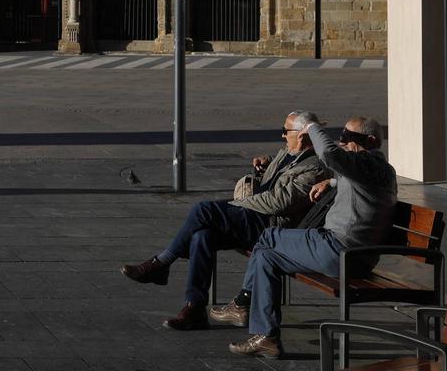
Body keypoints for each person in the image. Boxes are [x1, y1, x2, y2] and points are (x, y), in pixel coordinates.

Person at [120, 111, 328, 330]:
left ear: (302, 136)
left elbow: (279, 203)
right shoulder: (288, 152)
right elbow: (273, 183)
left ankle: (161, 263)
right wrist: (264, 168)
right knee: (203, 236)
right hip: (254, 214)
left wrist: (239, 203)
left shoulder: (314, 167)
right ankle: (195, 308)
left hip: (270, 226)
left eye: (285, 131)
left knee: (203, 210)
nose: (283, 135)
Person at [223, 116, 397, 359]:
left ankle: (243, 303)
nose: (342, 141)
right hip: (355, 255)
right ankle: (266, 337)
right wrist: (332, 181)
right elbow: (359, 180)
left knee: (268, 236)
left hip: (341, 251)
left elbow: (329, 154)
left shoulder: (366, 162)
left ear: (369, 141)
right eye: (341, 135)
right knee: (266, 256)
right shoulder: (379, 168)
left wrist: (311, 127)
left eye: (348, 137)